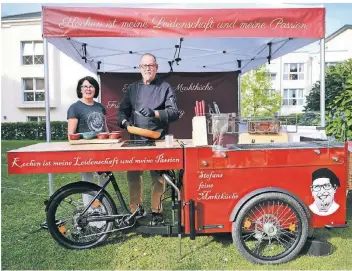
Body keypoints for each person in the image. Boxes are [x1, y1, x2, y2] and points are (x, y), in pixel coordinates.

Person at [117, 53, 180, 225]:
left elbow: (175, 112)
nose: (147, 69)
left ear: (156, 68)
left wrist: (155, 113)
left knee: (159, 177)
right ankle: (135, 209)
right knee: (133, 176)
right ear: (139, 68)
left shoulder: (165, 87)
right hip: (136, 139)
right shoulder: (133, 88)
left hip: (157, 138)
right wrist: (124, 121)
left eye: (150, 66)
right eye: (144, 66)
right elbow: (122, 110)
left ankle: (157, 211)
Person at [67, 76, 109, 227]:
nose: (88, 89)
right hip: (84, 151)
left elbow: (104, 128)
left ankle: (103, 210)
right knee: (87, 182)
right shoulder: (75, 108)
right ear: (80, 89)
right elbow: (71, 135)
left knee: (104, 180)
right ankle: (90, 214)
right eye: (84, 86)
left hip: (101, 150)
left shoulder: (100, 107)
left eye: (91, 86)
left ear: (95, 89)